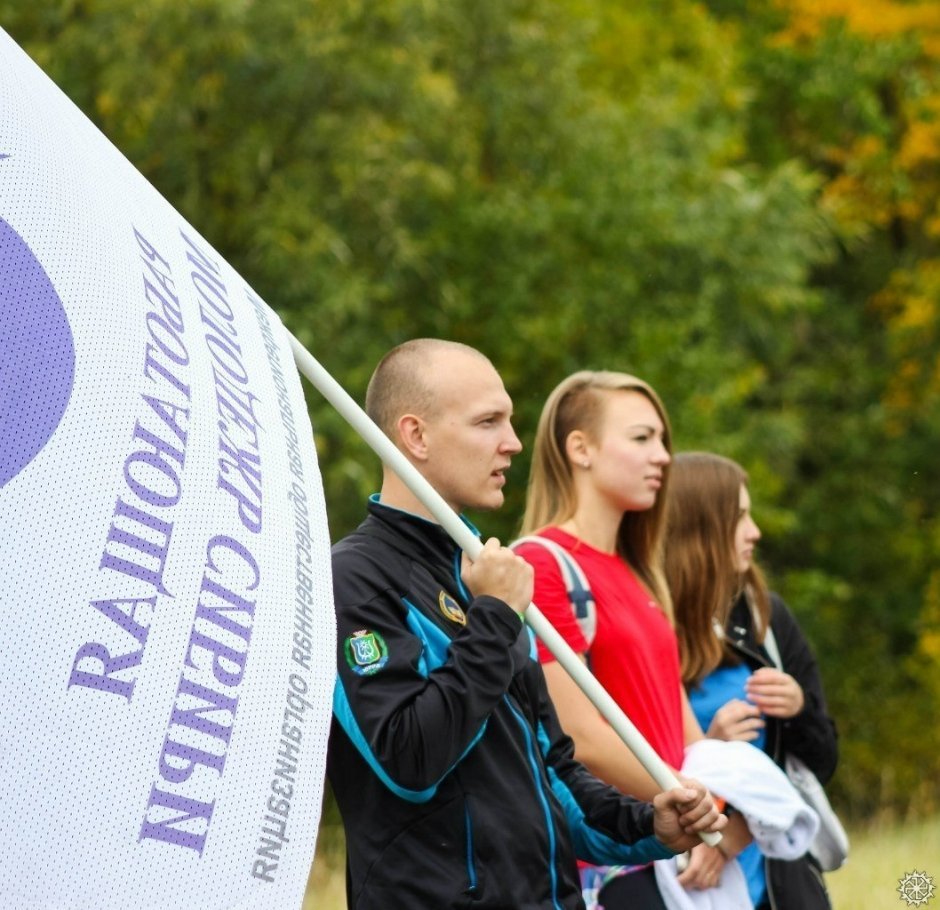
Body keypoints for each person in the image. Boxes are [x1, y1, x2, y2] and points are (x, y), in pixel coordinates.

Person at [326, 340, 725, 910]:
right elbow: (409, 760)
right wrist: (492, 619)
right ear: (415, 436)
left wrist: (649, 824)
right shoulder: (354, 577)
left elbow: (554, 772)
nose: (513, 443)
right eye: (488, 422)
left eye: (510, 421)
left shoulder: (488, 574)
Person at [513, 371, 751, 910]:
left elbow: (680, 724)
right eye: (643, 438)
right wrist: (697, 810)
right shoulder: (542, 563)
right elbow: (579, 735)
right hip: (615, 862)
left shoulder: (641, 573)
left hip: (674, 847)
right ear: (581, 449)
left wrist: (717, 805)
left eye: (663, 439)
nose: (664, 456)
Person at [663, 451, 839, 910]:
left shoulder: (767, 618)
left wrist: (799, 709)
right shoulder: (648, 626)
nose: (755, 531)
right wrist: (709, 748)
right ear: (697, 527)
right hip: (688, 883)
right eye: (739, 516)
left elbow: (822, 761)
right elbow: (619, 766)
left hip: (782, 885)